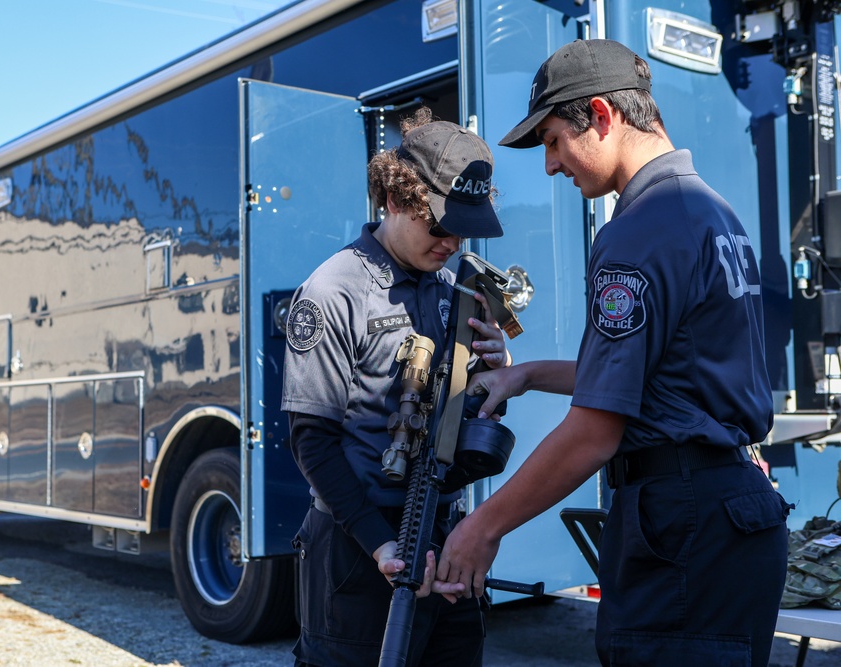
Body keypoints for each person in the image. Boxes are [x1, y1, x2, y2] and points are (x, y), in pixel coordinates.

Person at [435, 40, 791, 667]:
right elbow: (668, 380)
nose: (549, 165)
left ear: (601, 115)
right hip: (735, 518)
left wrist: (481, 527)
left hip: (680, 527)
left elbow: (596, 432)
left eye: (551, 140)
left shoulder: (637, 231)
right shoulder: (713, 213)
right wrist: (526, 376)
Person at [281, 108, 508, 667]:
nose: (453, 242)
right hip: (358, 548)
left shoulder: (458, 290)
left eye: (464, 227)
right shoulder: (333, 291)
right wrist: (380, 542)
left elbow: (462, 418)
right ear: (395, 200)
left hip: (443, 537)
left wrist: (495, 373)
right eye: (440, 225)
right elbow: (311, 442)